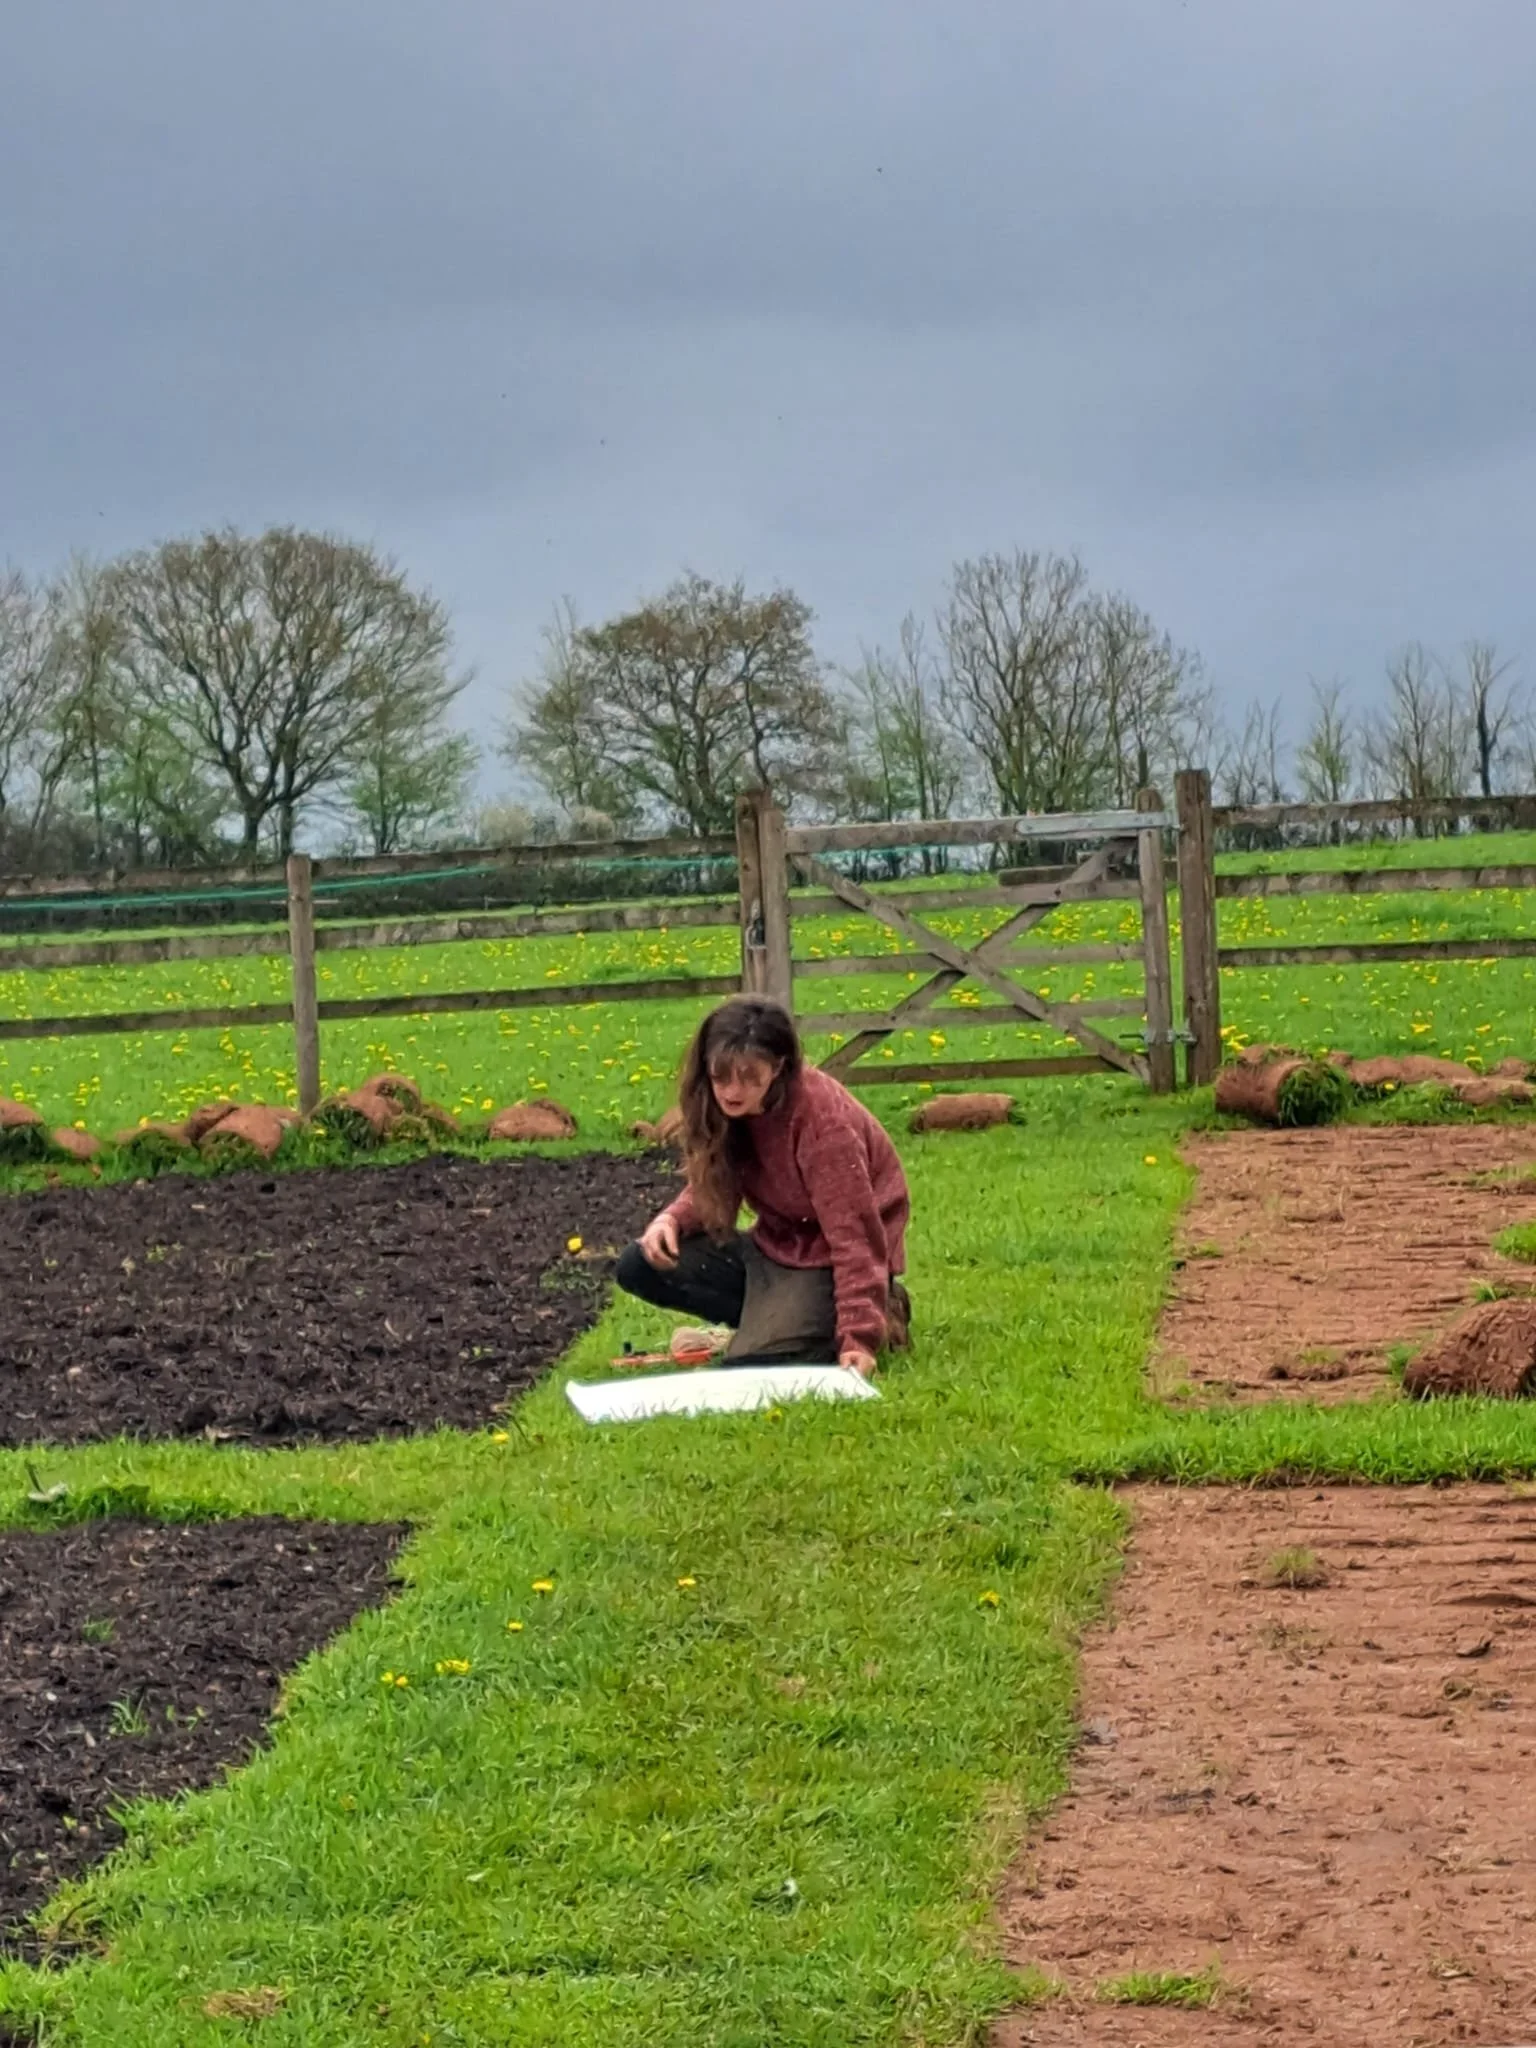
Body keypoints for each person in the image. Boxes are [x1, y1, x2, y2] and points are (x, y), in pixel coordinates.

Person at [615, 996, 911, 1377]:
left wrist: (859, 1338)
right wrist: (670, 1221)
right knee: (639, 1264)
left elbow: (855, 1236)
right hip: (775, 1247)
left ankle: (878, 1308)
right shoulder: (724, 1110)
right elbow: (716, 1182)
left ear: (778, 1067)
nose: (732, 1091)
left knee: (754, 1367)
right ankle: (778, 1324)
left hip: (830, 1259)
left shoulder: (824, 1125)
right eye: (721, 1076)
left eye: (748, 1077)